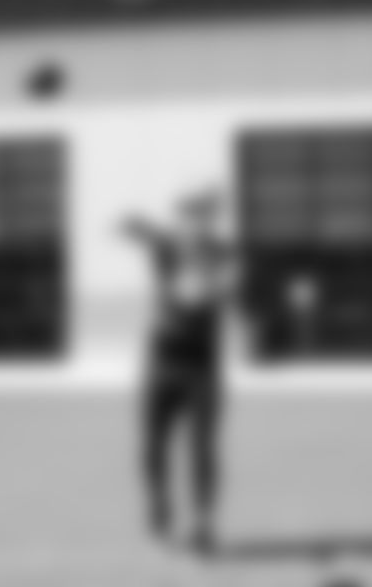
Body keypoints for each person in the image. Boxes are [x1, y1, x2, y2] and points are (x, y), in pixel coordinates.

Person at [122, 189, 242, 556]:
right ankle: (159, 502)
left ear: (213, 219)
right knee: (151, 446)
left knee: (203, 449)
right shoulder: (167, 247)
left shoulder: (225, 254)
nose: (197, 223)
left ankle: (203, 523)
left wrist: (215, 285)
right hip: (162, 363)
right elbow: (136, 230)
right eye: (190, 216)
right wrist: (138, 227)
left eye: (205, 216)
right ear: (182, 219)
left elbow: (225, 288)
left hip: (203, 368)